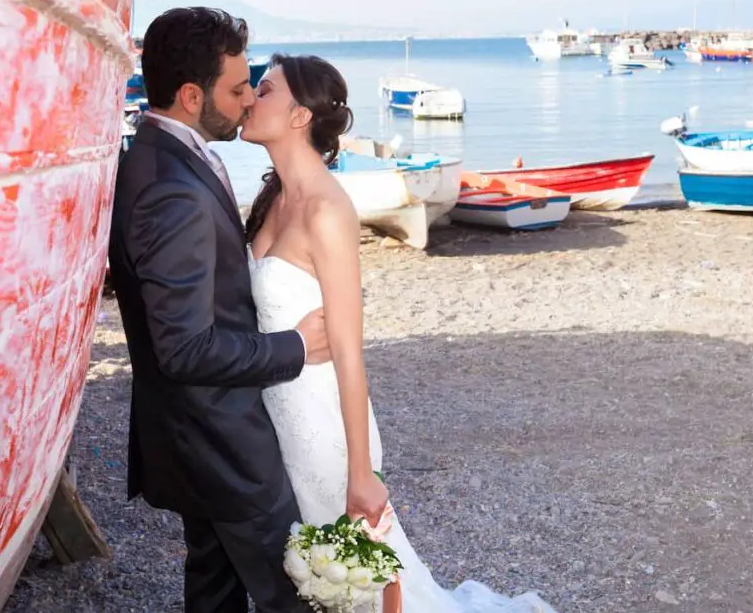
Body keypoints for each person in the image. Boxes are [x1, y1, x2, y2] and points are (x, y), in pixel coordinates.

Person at [240, 53, 560, 613]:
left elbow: (349, 350)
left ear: (298, 116)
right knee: (315, 577)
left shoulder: (328, 210)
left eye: (263, 89)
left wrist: (361, 472)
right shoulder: (273, 198)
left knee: (357, 576)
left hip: (324, 429)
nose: (248, 97)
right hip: (276, 420)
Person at [106, 7, 330, 613]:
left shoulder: (166, 157)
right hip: (218, 437)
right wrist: (296, 347)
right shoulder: (169, 190)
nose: (245, 101)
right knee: (295, 591)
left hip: (198, 433)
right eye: (235, 90)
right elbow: (184, 347)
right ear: (188, 94)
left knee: (216, 580)